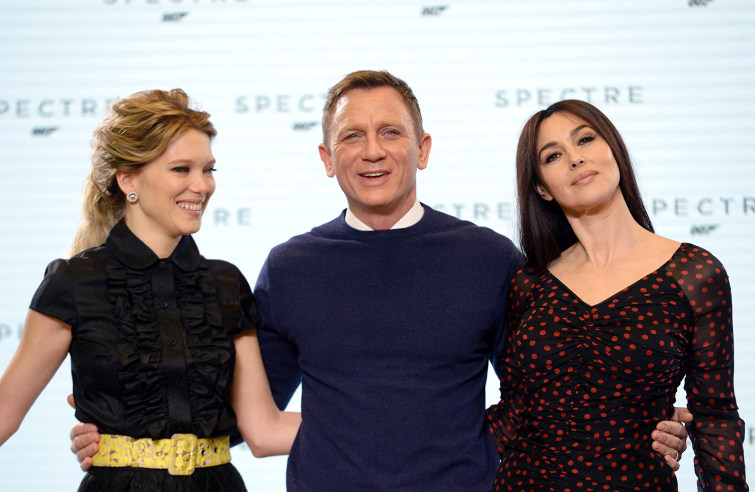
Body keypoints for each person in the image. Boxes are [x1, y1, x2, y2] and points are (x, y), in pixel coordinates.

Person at [70, 72, 689, 491]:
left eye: (390, 132)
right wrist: (132, 426)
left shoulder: (488, 257)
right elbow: (243, 417)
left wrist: (644, 425)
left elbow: (547, 397)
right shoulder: (290, 268)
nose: (373, 151)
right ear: (325, 158)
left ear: (421, 148)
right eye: (351, 136)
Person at [0, 89, 300, 491]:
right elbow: (5, 414)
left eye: (208, 169)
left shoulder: (226, 283)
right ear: (128, 180)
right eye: (181, 169)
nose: (202, 185)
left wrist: (392, 422)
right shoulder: (73, 284)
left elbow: (264, 432)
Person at [487, 99, 748, 491]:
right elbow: (514, 413)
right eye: (553, 155)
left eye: (586, 140)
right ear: (541, 187)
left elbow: (716, 420)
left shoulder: (694, 274)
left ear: (614, 150)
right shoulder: (529, 283)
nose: (575, 159)